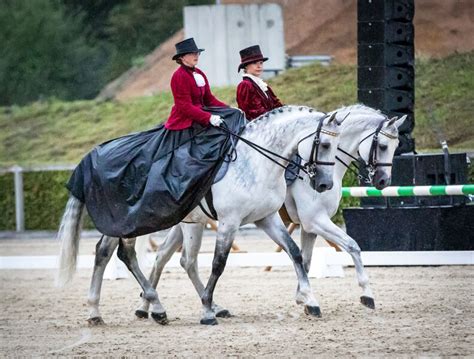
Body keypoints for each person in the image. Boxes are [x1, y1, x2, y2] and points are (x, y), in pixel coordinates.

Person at [166, 37, 227, 130]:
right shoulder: (179, 76)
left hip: (201, 114)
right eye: (191, 53)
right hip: (185, 121)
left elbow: (209, 99)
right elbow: (185, 107)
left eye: (197, 53)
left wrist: (228, 109)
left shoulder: (199, 73)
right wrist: (208, 117)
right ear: (182, 57)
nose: (196, 56)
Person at [236, 45, 283, 121]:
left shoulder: (262, 84)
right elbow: (253, 112)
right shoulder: (245, 85)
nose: (259, 66)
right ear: (246, 66)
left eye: (261, 63)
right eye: (255, 63)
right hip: (256, 128)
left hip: (270, 124)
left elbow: (276, 104)